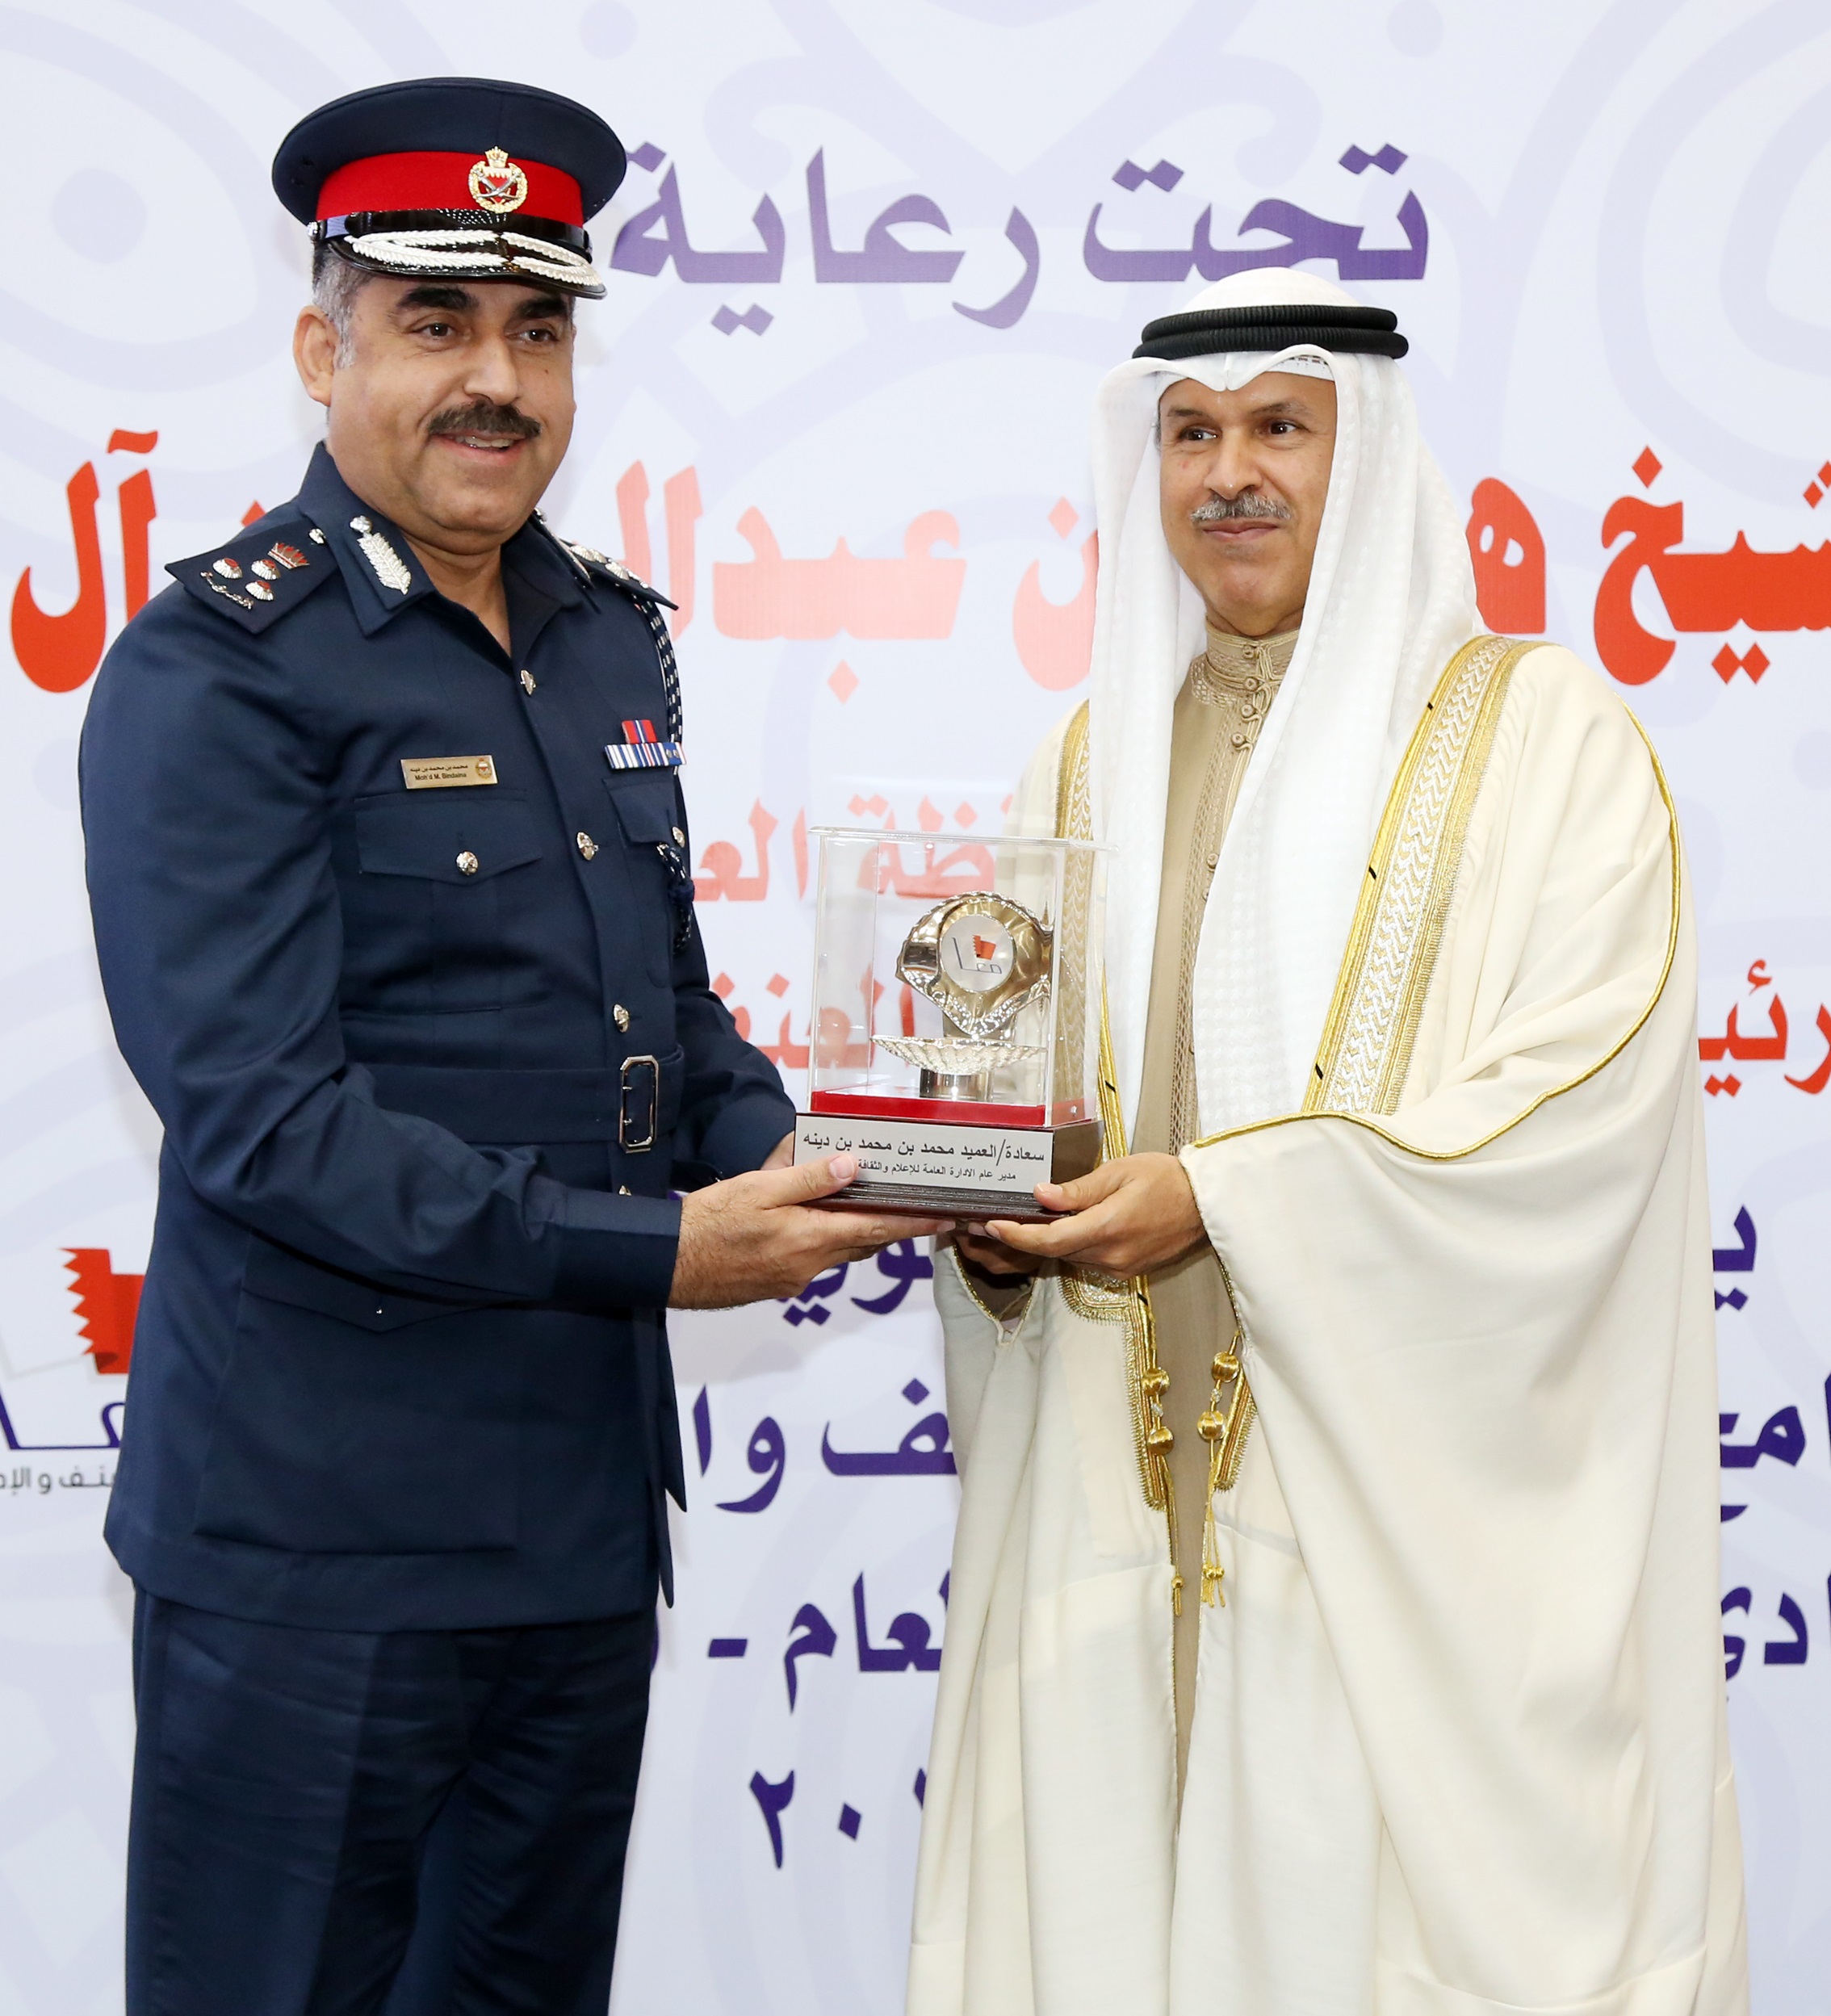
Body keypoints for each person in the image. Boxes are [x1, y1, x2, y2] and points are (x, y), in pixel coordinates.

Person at [81, 77, 935, 2016]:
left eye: (538, 329)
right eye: (437, 322)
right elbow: (263, 1121)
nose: (497, 380)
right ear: (326, 351)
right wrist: (664, 1250)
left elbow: (667, 1014)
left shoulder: (608, 638)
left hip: (571, 1541)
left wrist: (807, 1156)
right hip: (316, 1550)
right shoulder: (218, 666)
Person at [907, 270, 1747, 2014]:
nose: (1230, 475)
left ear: (1367, 460)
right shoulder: (1084, 764)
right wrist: (987, 1223)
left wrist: (1219, 1200)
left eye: (1279, 427)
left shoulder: (1548, 744)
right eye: (1190, 435)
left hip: (1398, 1553)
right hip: (1119, 1510)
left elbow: (1569, 1118)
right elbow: (1010, 1090)